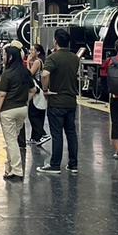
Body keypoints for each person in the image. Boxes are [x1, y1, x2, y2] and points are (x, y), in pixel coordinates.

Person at [37, 28, 80, 176]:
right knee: (71, 133)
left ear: (55, 41)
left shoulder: (53, 58)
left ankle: (55, 164)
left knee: (57, 134)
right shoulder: (75, 58)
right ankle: (73, 164)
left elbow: (45, 74)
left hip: (56, 101)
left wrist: (45, 89)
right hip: (71, 101)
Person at [0, 42, 34, 180]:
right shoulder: (25, 72)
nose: (4, 57)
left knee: (11, 141)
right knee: (13, 141)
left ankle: (17, 171)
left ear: (10, 57)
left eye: (5, 55)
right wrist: (25, 100)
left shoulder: (7, 73)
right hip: (22, 110)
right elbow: (33, 90)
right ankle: (9, 168)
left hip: (8, 111)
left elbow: (1, 95)